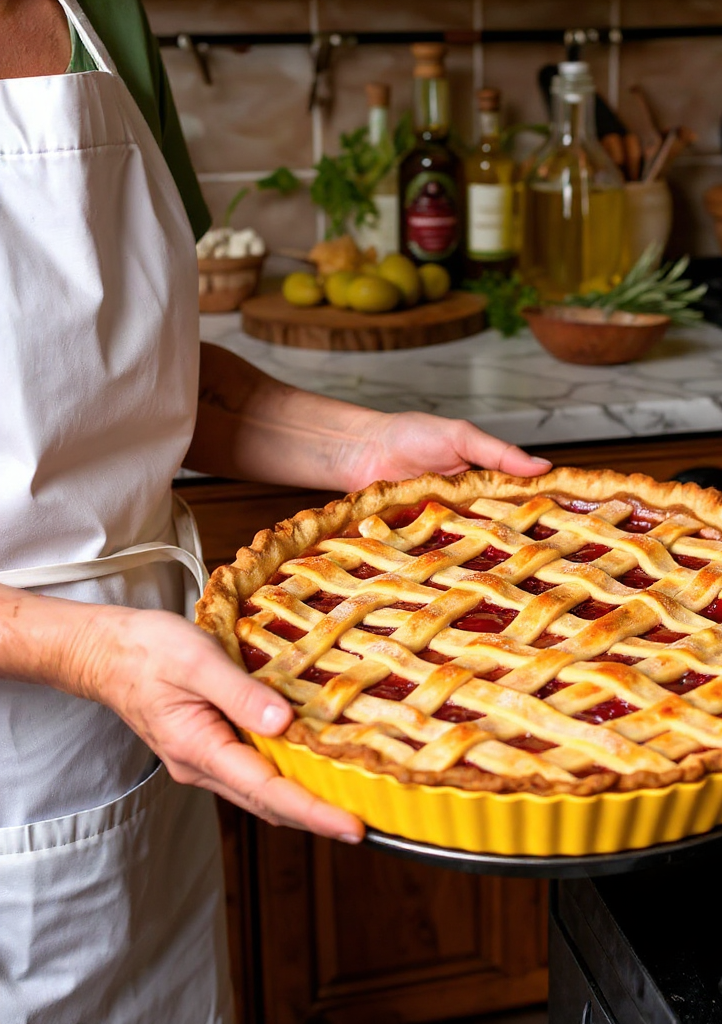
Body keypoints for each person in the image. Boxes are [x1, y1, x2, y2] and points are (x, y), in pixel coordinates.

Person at [0, 1, 551, 1021]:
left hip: (151, 724)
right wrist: (91, 652)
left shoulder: (102, 16)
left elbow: (123, 370)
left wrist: (360, 446)